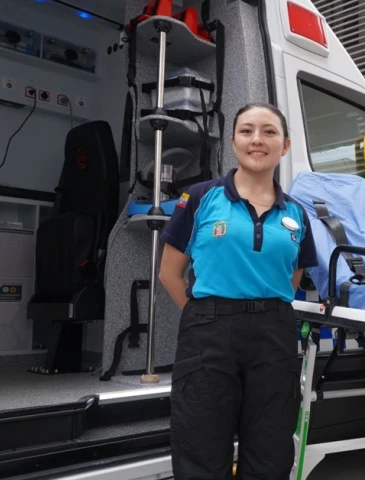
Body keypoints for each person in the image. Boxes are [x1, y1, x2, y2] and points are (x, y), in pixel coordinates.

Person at [158, 103, 317, 480]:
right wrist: (205, 316)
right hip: (209, 333)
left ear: (285, 145)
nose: (257, 139)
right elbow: (169, 274)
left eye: (269, 132)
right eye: (247, 131)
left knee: (270, 451)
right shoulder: (200, 198)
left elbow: (291, 280)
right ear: (233, 142)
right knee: (200, 446)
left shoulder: (297, 214)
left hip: (274, 335)